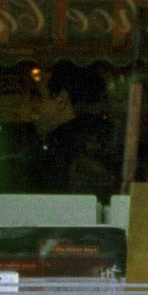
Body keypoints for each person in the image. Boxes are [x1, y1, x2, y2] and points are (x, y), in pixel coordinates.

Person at [31, 60, 123, 201]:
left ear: (61, 99)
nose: (34, 106)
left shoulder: (60, 147)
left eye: (39, 97)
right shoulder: (112, 139)